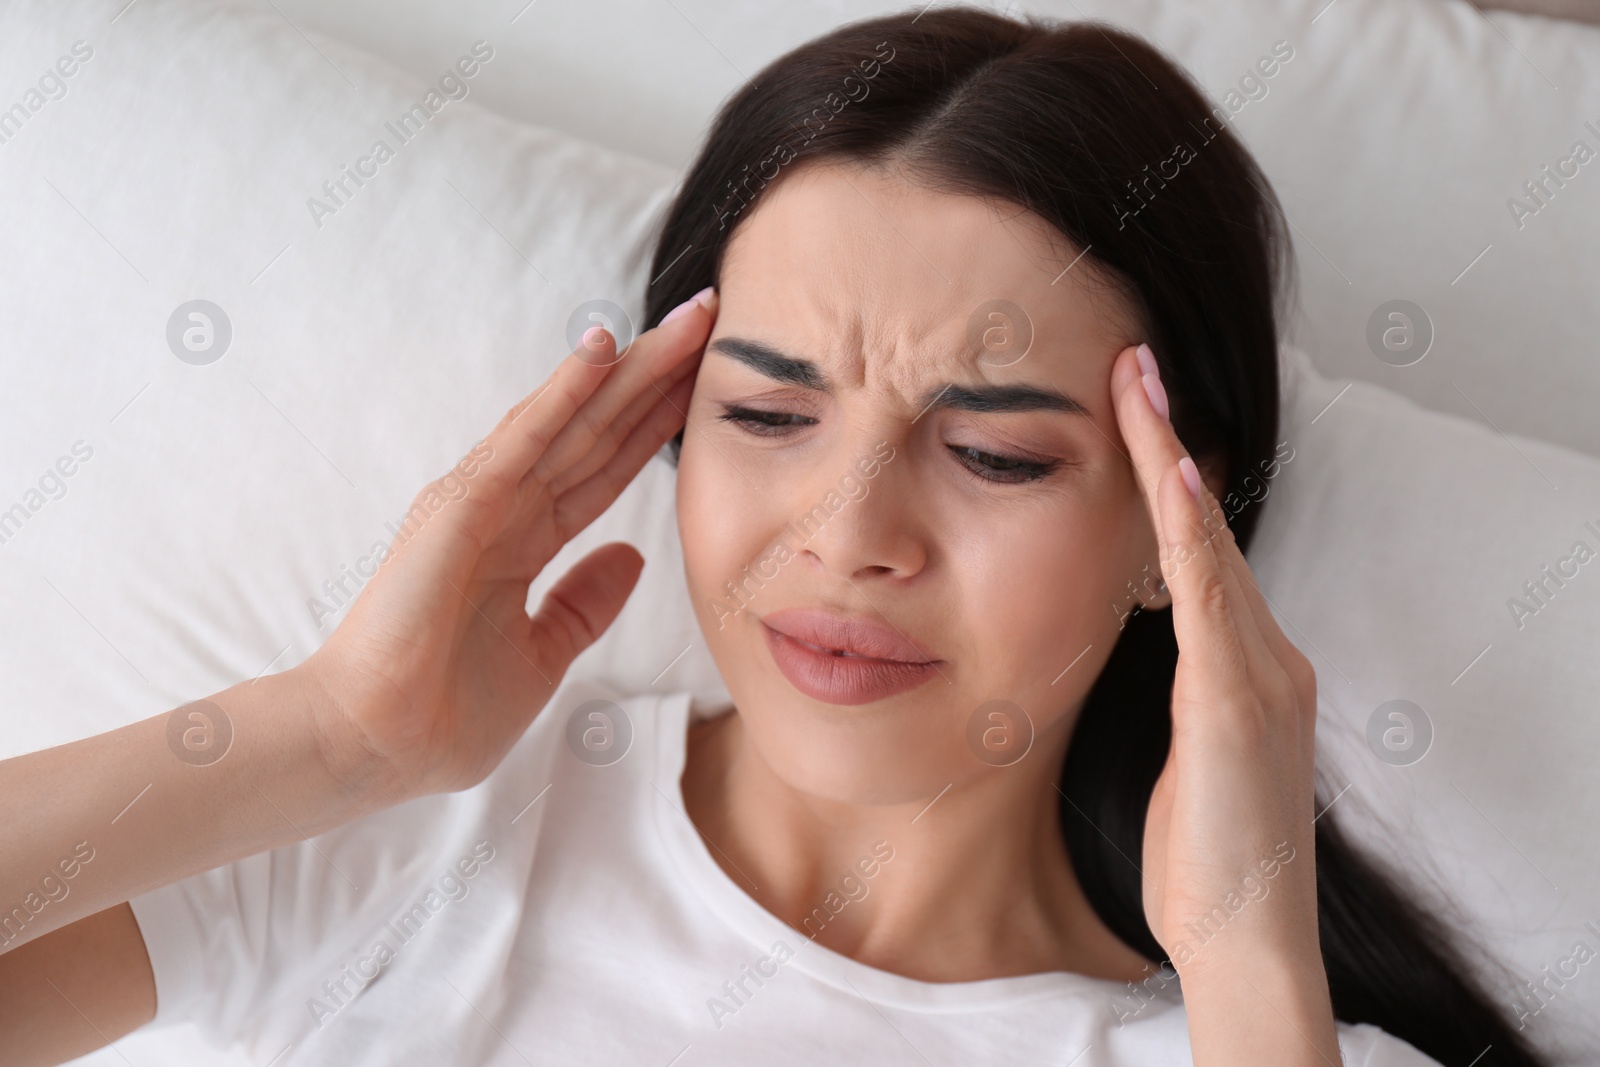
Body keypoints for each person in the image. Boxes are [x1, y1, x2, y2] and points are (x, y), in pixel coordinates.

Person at [0, 7, 1548, 1066]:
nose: (850, 534)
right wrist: (333, 735)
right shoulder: (417, 843)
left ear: (1175, 522)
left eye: (994, 451)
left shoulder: (1256, 1033)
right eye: (766, 415)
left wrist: (1252, 965)